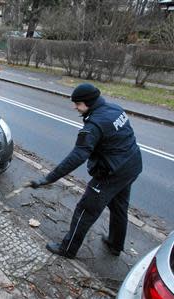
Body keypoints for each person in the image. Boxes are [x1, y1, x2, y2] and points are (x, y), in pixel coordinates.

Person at [30, 83, 142, 259]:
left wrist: (49, 178)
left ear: (88, 103)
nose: (75, 107)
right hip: (132, 166)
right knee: (119, 207)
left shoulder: (93, 125)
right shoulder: (115, 108)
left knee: (85, 210)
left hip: (112, 173)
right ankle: (115, 244)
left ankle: (67, 249)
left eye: (78, 103)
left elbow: (77, 156)